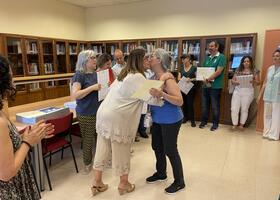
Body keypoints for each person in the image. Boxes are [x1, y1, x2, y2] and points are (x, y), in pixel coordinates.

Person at [91, 48, 148, 196]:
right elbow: (151, 98)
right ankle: (124, 184)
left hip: (104, 113)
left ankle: (97, 183)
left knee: (102, 147)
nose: (149, 61)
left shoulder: (123, 74)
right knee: (122, 150)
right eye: (147, 59)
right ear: (140, 61)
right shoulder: (138, 77)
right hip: (117, 118)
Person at [0, 55, 54, 200]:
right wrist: (27, 142)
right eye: (10, 75)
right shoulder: (0, 122)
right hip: (11, 190)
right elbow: (6, 172)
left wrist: (29, 136)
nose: (13, 79)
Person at [146, 48, 185, 194]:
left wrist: (162, 94)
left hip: (171, 119)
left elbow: (180, 101)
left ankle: (180, 181)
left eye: (152, 56)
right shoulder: (154, 77)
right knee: (157, 146)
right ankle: (161, 173)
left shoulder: (167, 78)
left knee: (170, 150)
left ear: (160, 60)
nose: (149, 58)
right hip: (158, 118)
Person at [71, 50, 101, 174]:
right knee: (88, 140)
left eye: (95, 57)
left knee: (100, 138)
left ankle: (99, 162)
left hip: (98, 111)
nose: (95, 60)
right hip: (86, 112)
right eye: (92, 58)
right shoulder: (79, 75)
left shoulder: (95, 73)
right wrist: (92, 88)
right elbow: (76, 94)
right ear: (84, 61)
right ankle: (87, 164)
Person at [199, 41, 226, 131]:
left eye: (212, 46)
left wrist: (209, 78)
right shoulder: (207, 58)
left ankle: (215, 124)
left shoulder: (221, 57)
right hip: (205, 86)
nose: (210, 48)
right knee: (204, 105)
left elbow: (218, 71)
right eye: (209, 46)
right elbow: (203, 70)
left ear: (217, 47)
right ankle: (204, 121)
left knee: (215, 106)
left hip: (215, 86)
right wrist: (201, 77)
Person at [231, 56, 260, 130]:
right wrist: (236, 82)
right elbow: (232, 80)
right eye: (244, 61)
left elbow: (258, 83)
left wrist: (253, 81)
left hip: (248, 92)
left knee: (244, 109)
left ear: (250, 62)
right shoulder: (238, 70)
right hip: (237, 90)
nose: (246, 63)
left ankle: (241, 125)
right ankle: (234, 124)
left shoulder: (254, 71)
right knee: (234, 108)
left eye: (248, 61)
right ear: (242, 62)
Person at [257, 49, 280, 140]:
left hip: (277, 96)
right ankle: (266, 133)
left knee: (276, 116)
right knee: (267, 115)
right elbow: (265, 83)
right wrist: (259, 95)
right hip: (268, 95)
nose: (275, 57)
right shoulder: (270, 68)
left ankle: (274, 135)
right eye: (274, 56)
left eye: (277, 56)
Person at [178, 54, 197, 127]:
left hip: (191, 88)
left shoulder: (194, 68)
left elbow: (197, 77)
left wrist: (190, 79)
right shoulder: (181, 68)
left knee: (190, 104)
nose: (183, 60)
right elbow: (179, 78)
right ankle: (185, 118)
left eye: (184, 58)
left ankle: (192, 120)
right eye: (182, 59)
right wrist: (183, 79)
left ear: (189, 59)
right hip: (182, 88)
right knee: (184, 104)